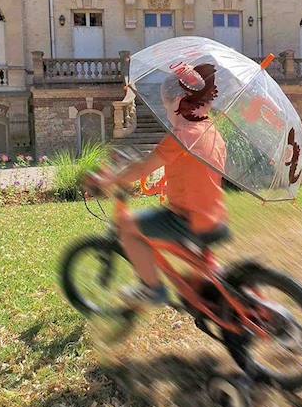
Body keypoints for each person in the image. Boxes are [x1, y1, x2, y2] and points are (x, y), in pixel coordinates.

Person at [84, 63, 229, 305]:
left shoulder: (182, 135)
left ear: (179, 102)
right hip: (215, 215)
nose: (168, 111)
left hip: (188, 219)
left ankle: (152, 289)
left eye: (167, 104)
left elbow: (142, 169)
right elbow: (193, 170)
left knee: (128, 227)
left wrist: (111, 179)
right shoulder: (210, 131)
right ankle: (212, 288)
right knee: (195, 272)